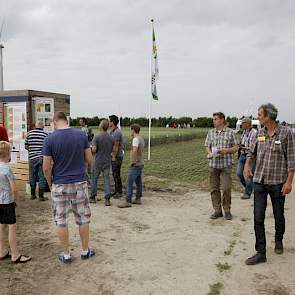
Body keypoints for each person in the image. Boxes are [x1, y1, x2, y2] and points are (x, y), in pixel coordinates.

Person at [244, 103, 295, 265]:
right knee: (258, 217)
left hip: (278, 183)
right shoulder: (260, 133)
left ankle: (278, 240)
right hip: (260, 181)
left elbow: (292, 160)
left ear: (268, 116)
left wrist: (289, 182)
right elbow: (252, 152)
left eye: (260, 114)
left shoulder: (286, 133)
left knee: (278, 215)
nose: (257, 117)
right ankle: (261, 252)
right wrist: (247, 164)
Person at [43, 112, 95, 264]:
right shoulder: (81, 135)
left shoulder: (49, 139)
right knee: (83, 218)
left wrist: (49, 183)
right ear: (67, 120)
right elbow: (89, 159)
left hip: (59, 184)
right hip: (79, 182)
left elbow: (46, 168)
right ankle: (85, 251)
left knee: (61, 220)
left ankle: (66, 255)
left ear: (54, 122)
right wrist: (83, 169)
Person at [0, 141, 31, 263]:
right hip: (7, 202)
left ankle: (2, 251)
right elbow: (14, 188)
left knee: (1, 226)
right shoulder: (7, 169)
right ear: (8, 154)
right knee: (12, 228)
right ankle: (15, 254)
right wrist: (17, 200)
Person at [205, 112, 239, 220]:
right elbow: (207, 145)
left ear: (222, 120)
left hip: (226, 165)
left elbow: (236, 148)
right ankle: (217, 210)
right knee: (214, 188)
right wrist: (209, 153)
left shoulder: (230, 132)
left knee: (226, 188)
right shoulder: (211, 132)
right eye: (213, 119)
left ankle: (227, 210)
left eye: (215, 119)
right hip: (213, 164)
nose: (213, 121)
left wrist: (227, 150)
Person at [118, 124, 145, 208]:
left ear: (133, 130)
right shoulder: (141, 139)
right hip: (141, 163)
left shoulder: (135, 139)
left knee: (128, 182)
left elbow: (134, 151)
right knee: (138, 181)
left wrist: (133, 162)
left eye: (130, 130)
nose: (130, 132)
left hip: (136, 164)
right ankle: (138, 198)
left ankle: (128, 201)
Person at [90, 120, 114, 206]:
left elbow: (94, 150)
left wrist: (91, 147)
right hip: (107, 161)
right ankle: (107, 199)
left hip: (98, 161)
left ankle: (92, 197)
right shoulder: (111, 137)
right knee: (106, 179)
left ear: (101, 126)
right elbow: (113, 150)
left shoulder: (97, 137)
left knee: (94, 179)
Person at [25, 121, 48, 201]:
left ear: (36, 125)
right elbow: (47, 147)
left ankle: (32, 195)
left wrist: (32, 151)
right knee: (42, 176)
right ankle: (41, 196)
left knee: (32, 176)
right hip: (41, 158)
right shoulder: (45, 135)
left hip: (32, 158)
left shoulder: (29, 133)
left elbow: (26, 146)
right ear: (42, 126)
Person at [236, 117, 257, 199]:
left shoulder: (255, 133)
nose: (241, 125)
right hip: (242, 154)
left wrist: (244, 148)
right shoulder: (244, 132)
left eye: (243, 123)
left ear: (248, 124)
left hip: (251, 156)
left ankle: (247, 193)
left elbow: (253, 148)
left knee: (250, 174)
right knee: (239, 173)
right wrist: (239, 145)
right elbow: (242, 142)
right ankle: (248, 187)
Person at [109, 115, 125, 198]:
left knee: (116, 174)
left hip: (117, 156)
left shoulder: (117, 132)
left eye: (109, 121)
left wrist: (113, 156)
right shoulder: (112, 132)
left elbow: (116, 145)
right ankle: (116, 191)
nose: (108, 122)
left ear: (112, 122)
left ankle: (119, 192)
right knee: (115, 174)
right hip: (114, 156)